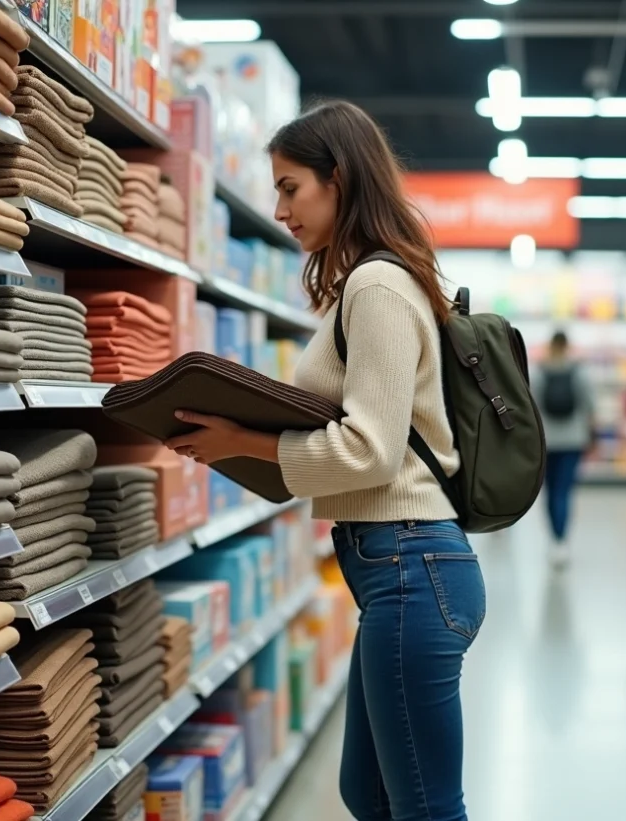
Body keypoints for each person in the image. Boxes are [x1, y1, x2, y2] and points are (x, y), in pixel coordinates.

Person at [161, 100, 484, 821]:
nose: (279, 209)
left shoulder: (376, 285)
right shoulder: (368, 282)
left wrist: (243, 441)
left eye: (289, 187)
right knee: (368, 794)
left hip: (412, 569)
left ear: (338, 179)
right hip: (399, 571)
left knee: (426, 806)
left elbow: (369, 450)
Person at [529, 330, 594, 567]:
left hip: (547, 440)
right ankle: (562, 539)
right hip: (573, 439)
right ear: (567, 346)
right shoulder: (579, 372)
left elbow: (531, 405)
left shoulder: (539, 372)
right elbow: (590, 404)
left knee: (549, 491)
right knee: (565, 491)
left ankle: (553, 539)